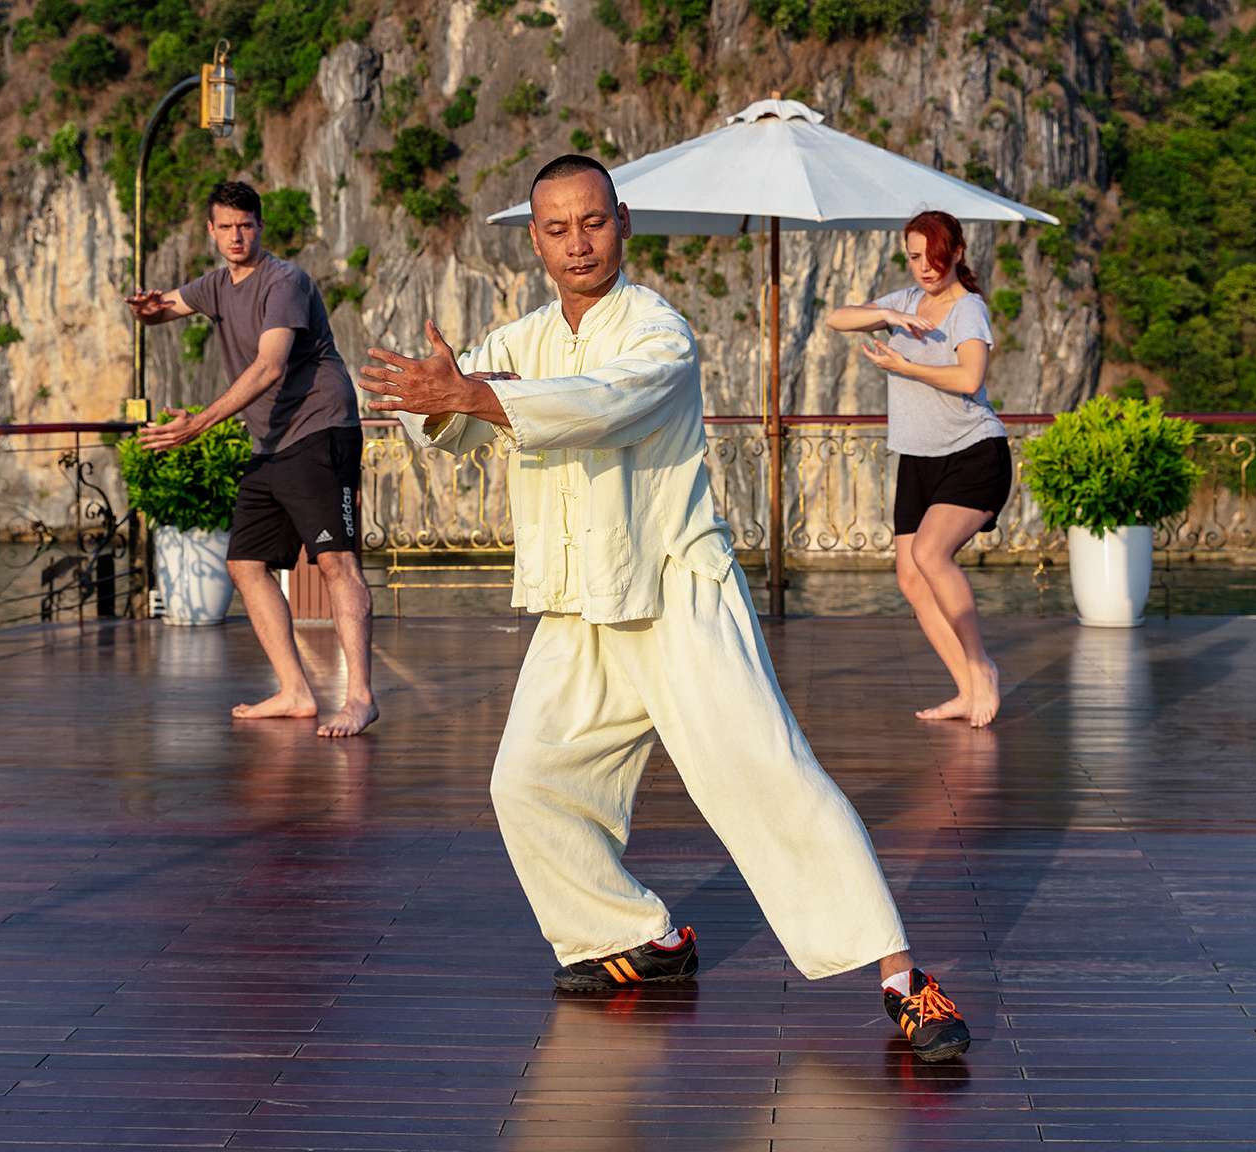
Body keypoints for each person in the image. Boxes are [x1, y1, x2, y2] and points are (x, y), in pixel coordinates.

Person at [360, 155, 972, 1063]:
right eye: (557, 229)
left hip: (678, 593)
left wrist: (474, 394)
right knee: (528, 782)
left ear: (624, 223)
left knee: (768, 775)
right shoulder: (522, 339)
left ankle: (901, 978)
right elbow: (440, 420)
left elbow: (599, 406)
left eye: (593, 222)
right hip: (580, 605)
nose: (578, 243)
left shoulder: (659, 331)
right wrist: (437, 394)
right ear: (536, 242)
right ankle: (633, 937)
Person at [126, 180, 377, 738]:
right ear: (211, 231)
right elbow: (164, 308)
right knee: (244, 563)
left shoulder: (284, 282)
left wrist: (198, 424)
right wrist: (146, 312)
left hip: (319, 427)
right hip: (271, 442)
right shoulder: (215, 285)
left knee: (336, 562)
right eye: (226, 227)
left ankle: (360, 697)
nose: (236, 236)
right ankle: (295, 691)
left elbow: (269, 366)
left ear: (260, 227)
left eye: (245, 226)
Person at [827, 210, 1009, 728]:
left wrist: (906, 366)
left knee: (931, 554)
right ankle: (967, 689)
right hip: (918, 459)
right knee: (911, 577)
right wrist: (888, 314)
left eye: (935, 256)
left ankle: (982, 667)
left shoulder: (968, 309)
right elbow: (837, 318)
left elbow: (970, 378)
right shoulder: (905, 301)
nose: (925, 267)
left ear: (957, 253)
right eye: (914, 257)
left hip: (974, 453)